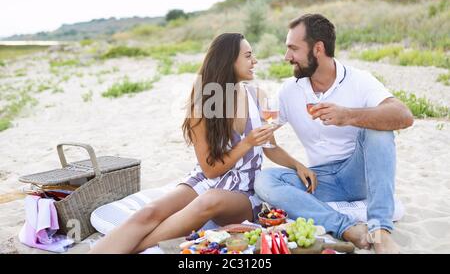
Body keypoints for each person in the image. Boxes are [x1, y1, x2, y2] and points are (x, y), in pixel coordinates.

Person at [89, 33, 312, 253]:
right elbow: (210, 170)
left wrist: (297, 165)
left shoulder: (257, 96)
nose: (255, 61)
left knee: (209, 200)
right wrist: (246, 144)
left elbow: (270, 148)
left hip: (244, 191)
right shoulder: (201, 105)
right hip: (206, 179)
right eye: (248, 56)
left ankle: (133, 248)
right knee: (150, 212)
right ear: (228, 61)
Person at [254, 14, 414, 254]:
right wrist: (296, 164)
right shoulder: (289, 90)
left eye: (293, 49)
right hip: (320, 180)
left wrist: (348, 115)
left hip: (357, 173)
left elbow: (404, 115)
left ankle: (380, 230)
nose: (287, 57)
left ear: (318, 48)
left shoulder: (360, 80)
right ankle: (347, 228)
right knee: (265, 180)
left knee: (379, 132)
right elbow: (266, 136)